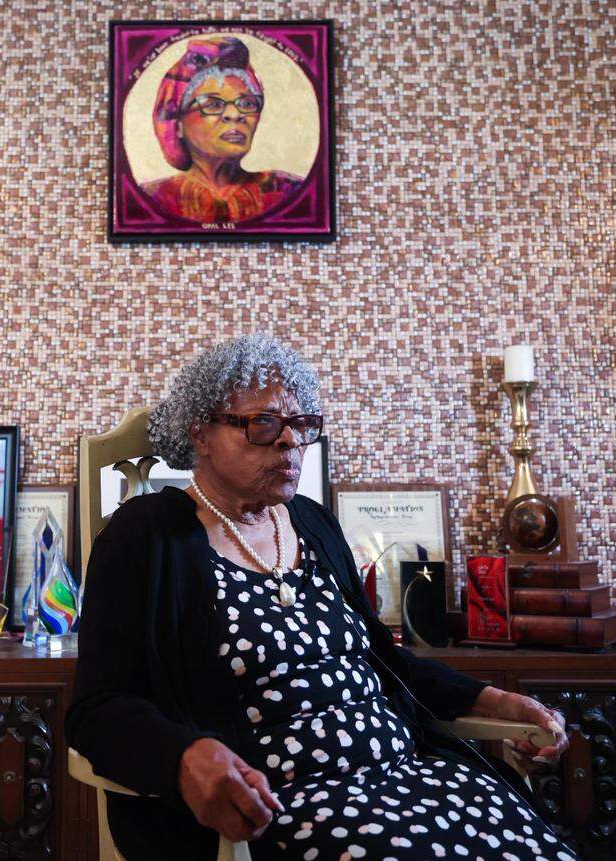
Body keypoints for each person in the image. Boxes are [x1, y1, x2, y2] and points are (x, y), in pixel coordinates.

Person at [67, 334, 578, 860]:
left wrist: (495, 699)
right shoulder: (146, 535)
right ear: (200, 433)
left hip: (412, 781)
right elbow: (98, 710)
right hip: (282, 812)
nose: (291, 441)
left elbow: (382, 662)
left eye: (302, 424)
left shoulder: (313, 523)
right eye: (264, 424)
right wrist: (186, 756)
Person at [142, 37, 304, 224]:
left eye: (246, 104)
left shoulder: (287, 191)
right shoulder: (153, 199)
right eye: (213, 104)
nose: (235, 114)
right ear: (177, 125)